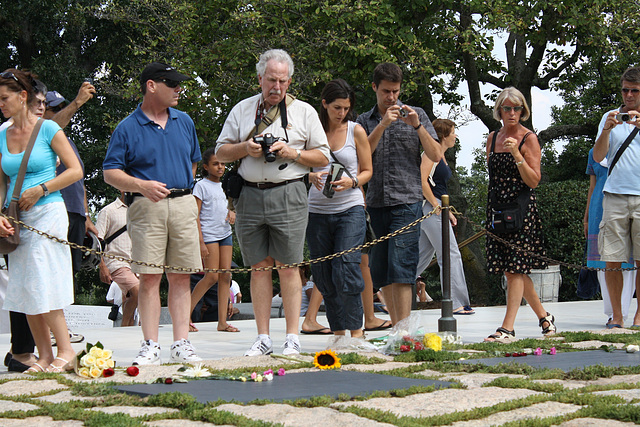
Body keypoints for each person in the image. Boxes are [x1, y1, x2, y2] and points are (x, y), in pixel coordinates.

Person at [216, 49, 330, 356]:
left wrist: (293, 153)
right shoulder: (241, 110)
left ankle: (292, 336)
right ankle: (263, 337)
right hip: (250, 194)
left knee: (289, 267)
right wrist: (245, 148)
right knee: (258, 267)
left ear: (289, 81)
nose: (276, 87)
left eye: (282, 81)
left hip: (290, 192)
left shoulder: (304, 112)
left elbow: (323, 157)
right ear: (259, 79)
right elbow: (220, 153)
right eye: (270, 80)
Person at [103, 62, 203, 365]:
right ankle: (150, 344)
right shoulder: (127, 127)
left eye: (178, 83)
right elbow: (110, 172)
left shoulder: (184, 121)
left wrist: (183, 195)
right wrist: (141, 186)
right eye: (171, 83)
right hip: (146, 207)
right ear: (151, 85)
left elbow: (194, 163)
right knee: (148, 278)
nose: (178, 89)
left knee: (182, 277)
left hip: (184, 203)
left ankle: (181, 343)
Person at [0, 69, 83, 372]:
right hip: (17, 218)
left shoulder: (48, 128)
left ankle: (66, 349)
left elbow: (75, 170)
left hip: (48, 211)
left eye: (4, 98)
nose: (0, 104)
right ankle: (45, 356)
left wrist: (41, 188)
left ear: (23, 97)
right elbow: (1, 183)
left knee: (43, 280)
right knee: (24, 287)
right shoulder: (1, 134)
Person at [356, 63, 440, 326]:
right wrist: (381, 125)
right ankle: (397, 328)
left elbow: (436, 154)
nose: (391, 97)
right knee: (382, 271)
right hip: (377, 203)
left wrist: (417, 126)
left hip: (407, 201)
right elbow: (361, 158)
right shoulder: (362, 121)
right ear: (374, 88)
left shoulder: (418, 115)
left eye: (395, 91)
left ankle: (404, 331)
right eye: (385, 92)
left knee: (402, 268)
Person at [484, 87, 554, 342]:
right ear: (499, 111)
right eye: (507, 108)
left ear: (523, 111)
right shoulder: (492, 138)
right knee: (514, 271)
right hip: (498, 210)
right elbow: (493, 177)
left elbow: (534, 181)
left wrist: (516, 155)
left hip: (521, 212)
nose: (512, 113)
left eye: (517, 108)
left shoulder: (529, 139)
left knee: (514, 270)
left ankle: (507, 328)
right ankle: (545, 318)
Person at [306, 79, 372, 339]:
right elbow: (298, 164)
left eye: (346, 108)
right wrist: (309, 177)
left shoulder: (356, 131)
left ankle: (357, 331)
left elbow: (367, 171)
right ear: (324, 104)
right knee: (324, 273)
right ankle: (338, 331)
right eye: (336, 107)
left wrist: (352, 181)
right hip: (317, 209)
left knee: (346, 266)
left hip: (350, 207)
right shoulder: (312, 132)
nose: (342, 113)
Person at [593, 66, 640, 329]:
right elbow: (598, 157)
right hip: (615, 195)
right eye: (625, 90)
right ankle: (618, 316)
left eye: (634, 90)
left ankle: (639, 316)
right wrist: (607, 131)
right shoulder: (609, 116)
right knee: (612, 259)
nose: (629, 95)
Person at [416, 119, 474, 315]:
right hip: (431, 208)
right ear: (443, 135)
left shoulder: (441, 155)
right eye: (453, 132)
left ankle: (385, 289)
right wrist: (436, 206)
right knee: (450, 254)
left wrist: (445, 210)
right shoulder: (430, 154)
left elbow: (439, 187)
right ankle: (456, 302)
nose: (455, 136)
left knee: (420, 257)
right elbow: (422, 182)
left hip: (438, 207)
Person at [584, 149, 636, 326]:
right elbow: (592, 186)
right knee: (604, 262)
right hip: (599, 207)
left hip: (628, 203)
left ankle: (627, 311)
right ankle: (612, 313)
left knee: (629, 264)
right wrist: (586, 218)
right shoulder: (594, 152)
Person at [189, 148, 238, 333]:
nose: (220, 167)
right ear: (206, 166)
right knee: (211, 277)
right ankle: (185, 315)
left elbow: (230, 205)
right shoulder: (201, 186)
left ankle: (222, 322)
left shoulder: (226, 184)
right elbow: (196, 215)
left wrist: (232, 212)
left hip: (225, 233)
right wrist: (200, 241)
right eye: (216, 164)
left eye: (223, 164)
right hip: (209, 235)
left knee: (226, 276)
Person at [95, 192, 139, 326]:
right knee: (138, 291)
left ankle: (127, 329)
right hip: (116, 261)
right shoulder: (108, 211)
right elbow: (97, 242)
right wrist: (102, 266)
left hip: (136, 263)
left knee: (132, 298)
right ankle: (125, 325)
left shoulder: (140, 212)